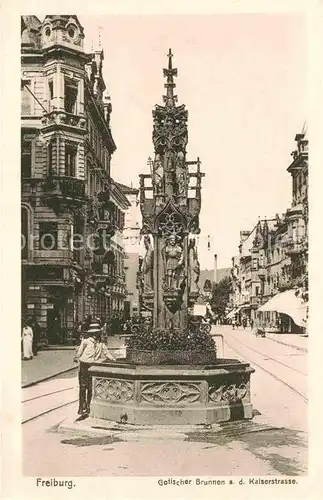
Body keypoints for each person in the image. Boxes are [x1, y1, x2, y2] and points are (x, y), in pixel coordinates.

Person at [74, 323, 116, 416]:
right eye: (96, 333)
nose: (97, 335)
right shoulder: (86, 341)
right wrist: (76, 357)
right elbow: (80, 352)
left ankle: (88, 406)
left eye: (98, 333)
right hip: (84, 365)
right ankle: (81, 407)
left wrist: (113, 359)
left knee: (90, 387)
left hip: (92, 366)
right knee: (83, 387)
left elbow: (107, 353)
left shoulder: (101, 344)